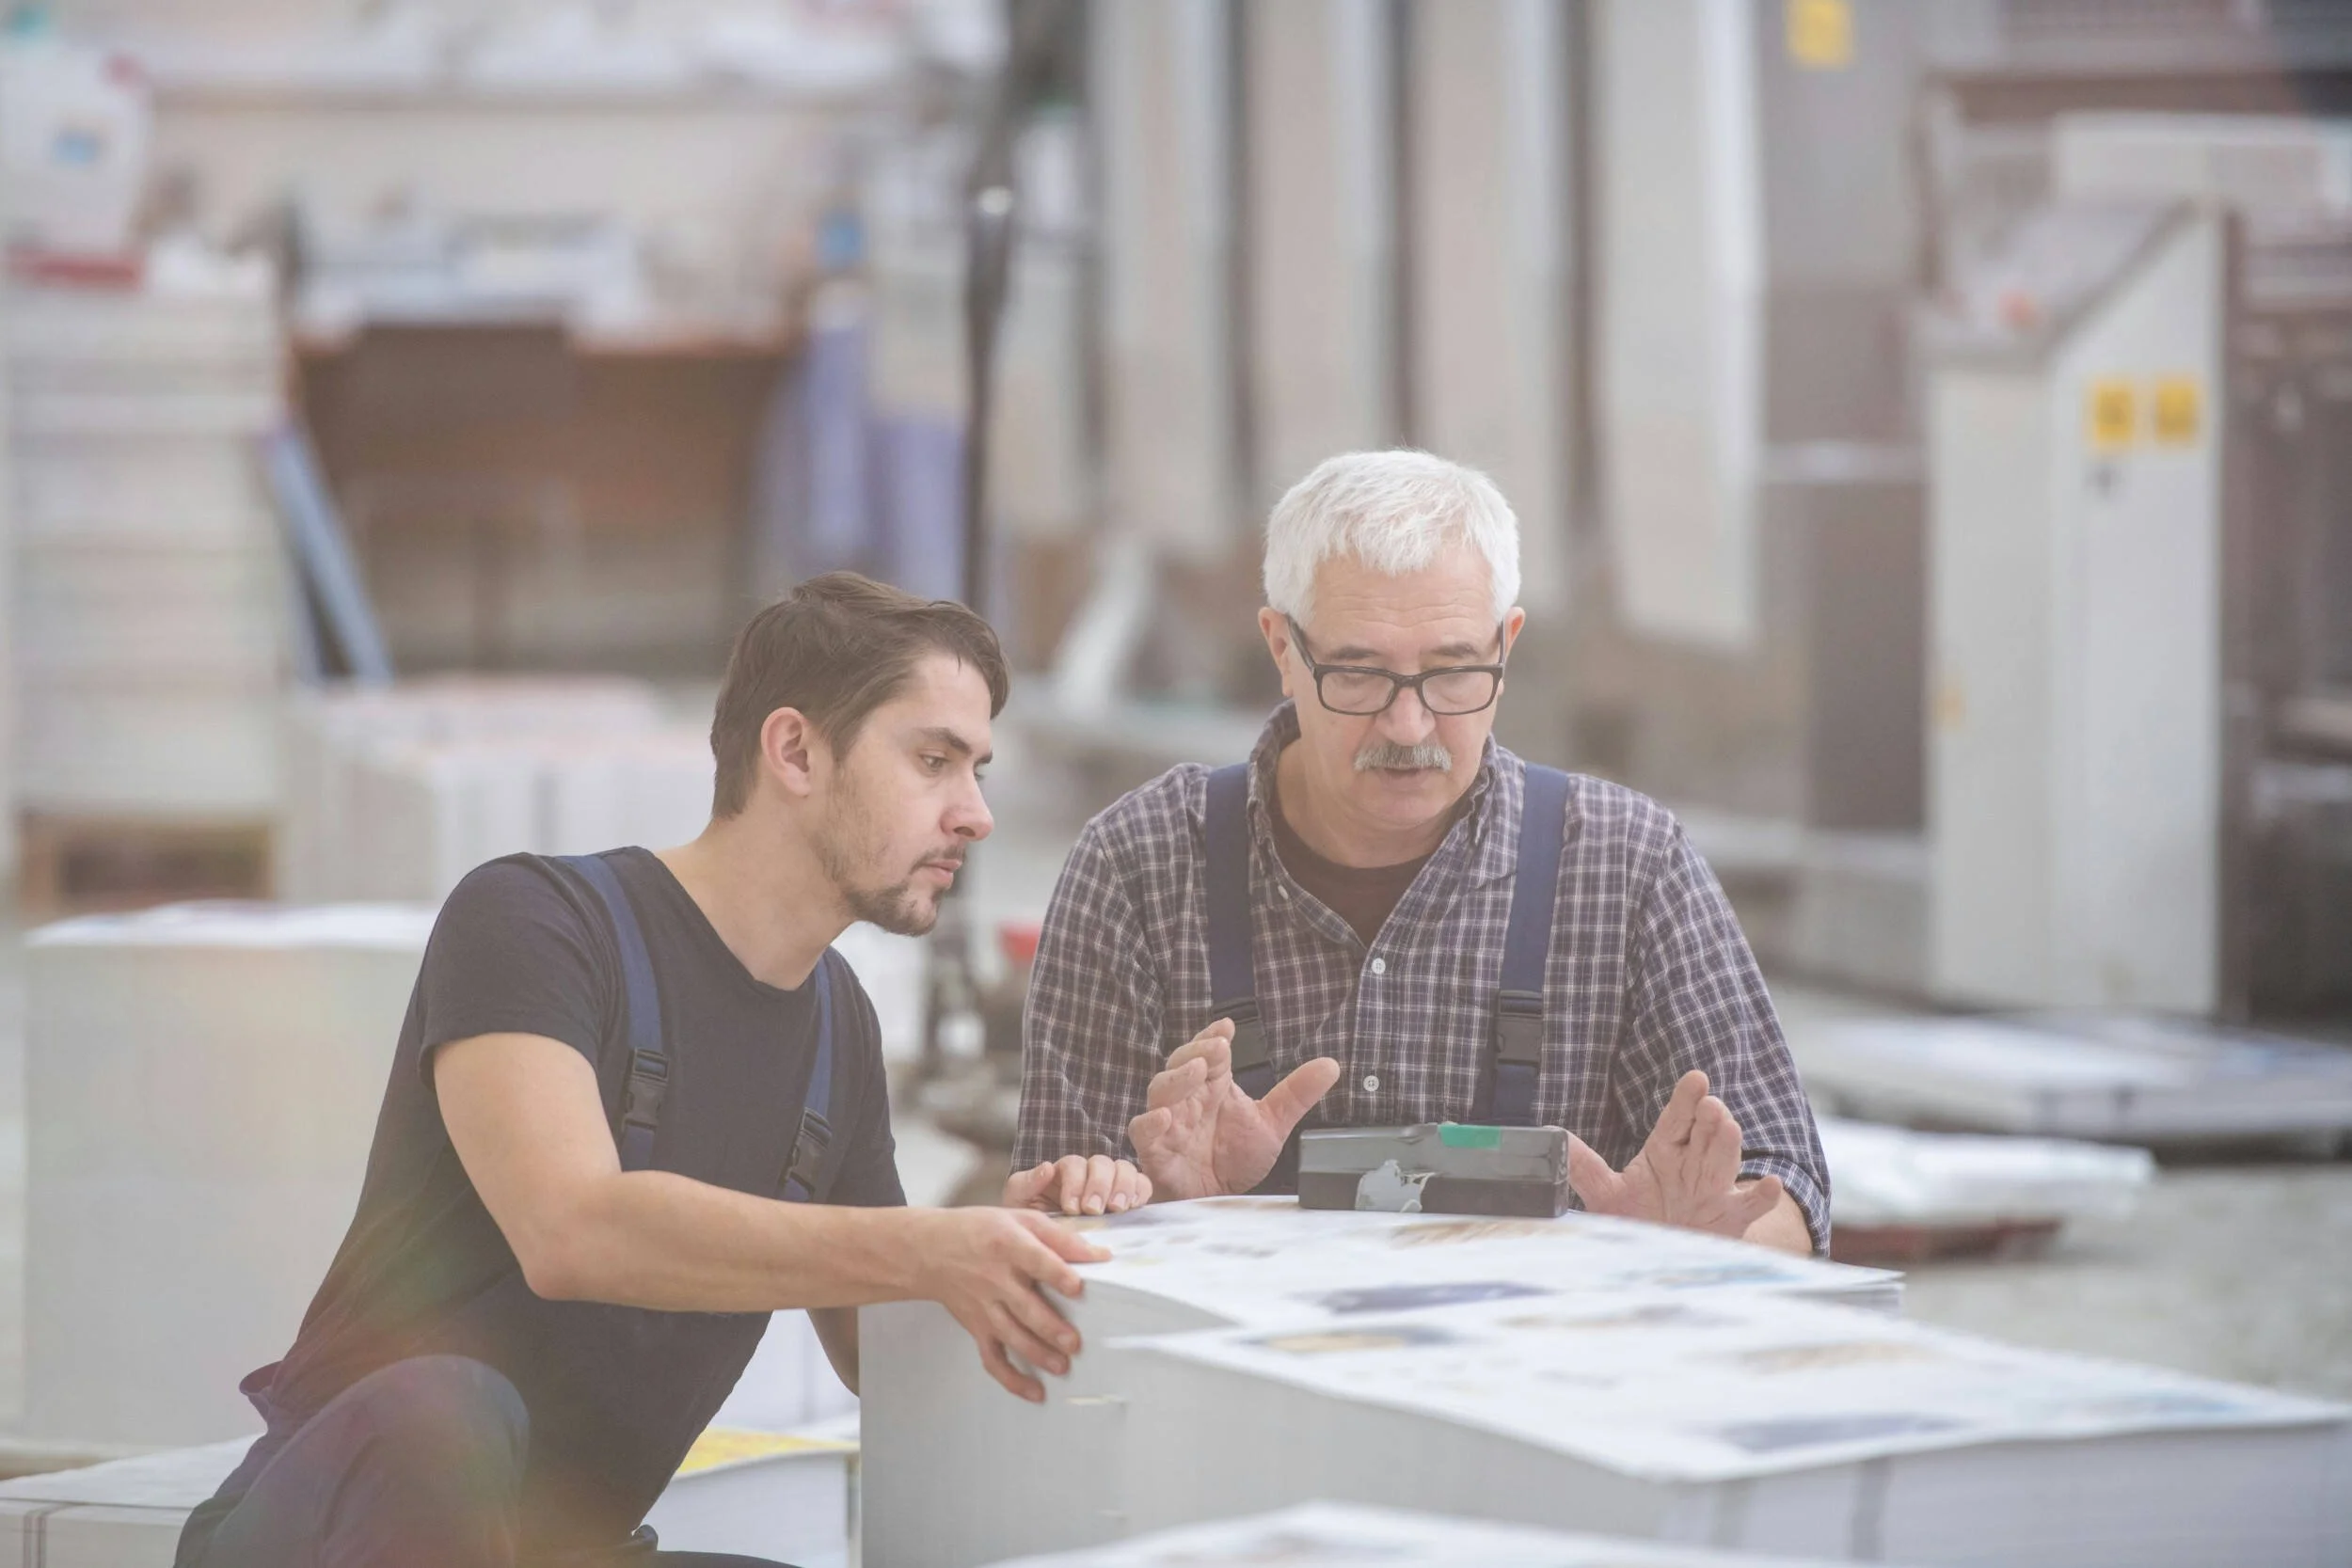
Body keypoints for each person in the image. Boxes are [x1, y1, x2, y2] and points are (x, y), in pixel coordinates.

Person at [178, 574, 1143, 1568]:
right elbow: (572, 1229)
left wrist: (1062, 1233)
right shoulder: (536, 920)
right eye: (934, 760)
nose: (977, 814)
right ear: (795, 750)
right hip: (329, 1524)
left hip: (570, 1547)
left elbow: (878, 1352)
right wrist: (931, 1244)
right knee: (445, 1408)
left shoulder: (837, 1025)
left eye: (977, 769)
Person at [1013, 451, 1830, 1256]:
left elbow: (1783, 1186)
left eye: (1451, 672)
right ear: (1282, 651)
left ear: (1505, 648)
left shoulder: (1627, 867)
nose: (1409, 728)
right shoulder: (1141, 865)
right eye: (1359, 675)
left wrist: (1678, 1246)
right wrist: (1173, 1209)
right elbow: (1047, 1219)